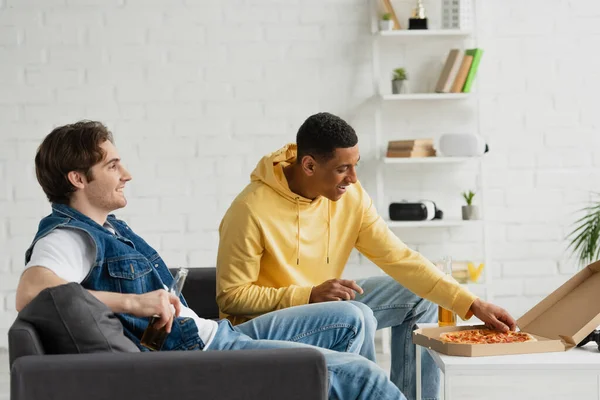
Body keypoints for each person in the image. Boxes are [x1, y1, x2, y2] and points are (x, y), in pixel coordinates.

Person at [15, 120, 406, 400]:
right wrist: (134, 302)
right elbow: (33, 293)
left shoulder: (110, 227)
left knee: (351, 316)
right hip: (201, 355)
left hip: (213, 334)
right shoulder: (69, 236)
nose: (127, 174)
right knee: (364, 377)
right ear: (78, 179)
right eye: (112, 166)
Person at [216, 112, 517, 400]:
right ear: (309, 165)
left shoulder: (350, 198)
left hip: (325, 306)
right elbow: (231, 297)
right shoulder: (249, 210)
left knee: (418, 295)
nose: (354, 178)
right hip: (266, 327)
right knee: (356, 314)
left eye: (355, 165)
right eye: (342, 169)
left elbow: (400, 257)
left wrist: (472, 303)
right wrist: (307, 295)